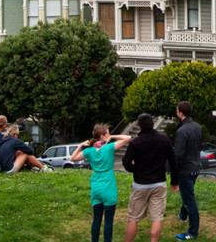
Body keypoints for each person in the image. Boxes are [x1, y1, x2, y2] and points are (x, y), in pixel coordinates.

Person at [121, 114, 179, 242]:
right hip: (158, 183)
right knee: (157, 218)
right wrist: (175, 181)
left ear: (139, 127)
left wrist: (135, 169)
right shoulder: (164, 140)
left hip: (140, 184)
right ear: (153, 124)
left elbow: (126, 162)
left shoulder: (135, 142)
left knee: (133, 218)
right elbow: (173, 161)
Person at [71, 124, 132, 242]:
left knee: (96, 219)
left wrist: (80, 146)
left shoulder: (89, 151)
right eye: (107, 133)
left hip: (96, 187)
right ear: (102, 136)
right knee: (108, 221)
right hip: (108, 187)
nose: (109, 135)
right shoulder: (109, 148)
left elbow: (73, 158)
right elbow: (127, 138)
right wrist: (112, 137)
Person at [173, 101, 203, 241]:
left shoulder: (181, 131)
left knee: (190, 200)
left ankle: (192, 232)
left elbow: (178, 154)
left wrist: (173, 170)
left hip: (185, 169)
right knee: (188, 193)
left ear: (180, 113)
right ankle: (183, 214)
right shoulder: (198, 127)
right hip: (196, 166)